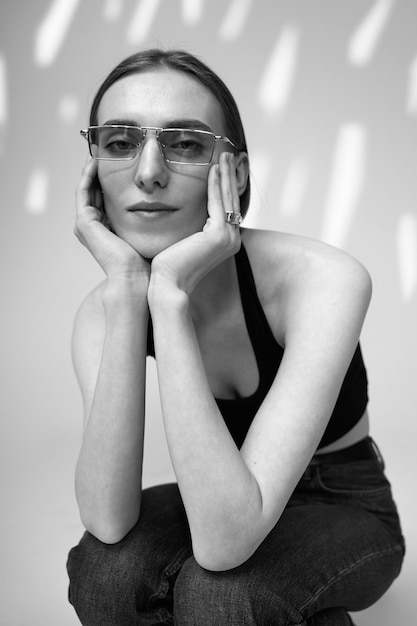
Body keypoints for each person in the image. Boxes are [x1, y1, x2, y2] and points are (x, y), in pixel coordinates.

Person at [66, 48, 405, 625]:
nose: (149, 171)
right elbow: (107, 519)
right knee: (105, 574)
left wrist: (169, 292)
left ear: (236, 174)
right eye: (121, 142)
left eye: (187, 144)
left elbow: (224, 547)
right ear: (95, 167)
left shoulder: (323, 279)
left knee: (222, 593)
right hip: (223, 488)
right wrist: (132, 286)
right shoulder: (106, 310)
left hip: (339, 496)